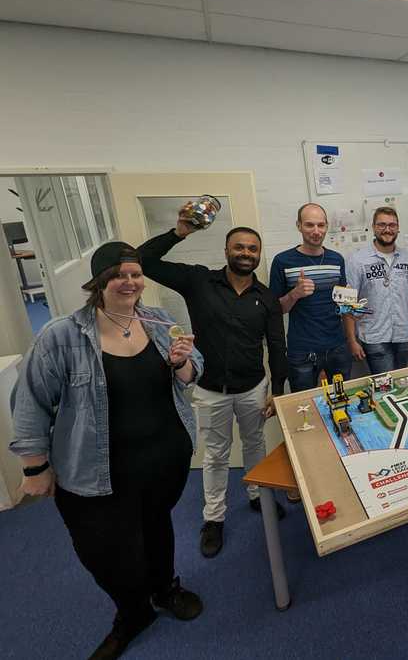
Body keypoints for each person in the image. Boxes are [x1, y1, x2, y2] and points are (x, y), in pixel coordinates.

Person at [11, 242, 204, 659]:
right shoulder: (62, 336)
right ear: (99, 282)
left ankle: (165, 588)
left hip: (163, 460)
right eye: (119, 275)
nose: (130, 282)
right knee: (104, 551)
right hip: (94, 471)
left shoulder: (159, 321)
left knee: (156, 527)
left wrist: (180, 363)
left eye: (135, 274)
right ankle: (132, 613)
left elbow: (192, 372)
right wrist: (34, 467)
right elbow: (30, 403)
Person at [138, 212, 288, 559]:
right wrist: (178, 233)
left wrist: (278, 391)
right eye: (239, 247)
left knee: (254, 444)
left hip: (253, 388)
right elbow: (143, 260)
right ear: (226, 250)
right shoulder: (198, 281)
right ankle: (214, 518)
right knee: (217, 455)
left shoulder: (266, 298)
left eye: (252, 249)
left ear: (258, 255)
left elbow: (277, 345)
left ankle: (257, 496)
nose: (246, 253)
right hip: (209, 389)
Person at [270, 203, 351, 390]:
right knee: (304, 402)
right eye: (309, 225)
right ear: (299, 226)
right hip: (302, 350)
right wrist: (294, 294)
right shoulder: (282, 261)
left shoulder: (336, 259)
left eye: (321, 225)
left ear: (326, 226)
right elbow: (275, 309)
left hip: (337, 346)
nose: (316, 231)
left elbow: (342, 302)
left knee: (342, 399)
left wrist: (354, 308)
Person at [345, 206, 408, 373]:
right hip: (374, 336)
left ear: (398, 228)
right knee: (384, 384)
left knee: (400, 380)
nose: (387, 229)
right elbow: (348, 302)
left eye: (392, 225)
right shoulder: (357, 260)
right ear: (373, 227)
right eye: (381, 225)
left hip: (404, 333)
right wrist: (351, 340)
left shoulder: (407, 258)